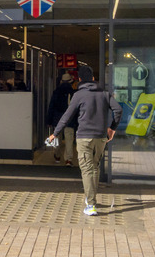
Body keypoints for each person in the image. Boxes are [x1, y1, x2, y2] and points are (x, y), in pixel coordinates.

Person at [48, 66, 122, 216]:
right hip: (101, 138)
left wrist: (55, 133)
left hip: (84, 137)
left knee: (87, 170)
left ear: (80, 80)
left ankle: (91, 204)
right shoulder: (104, 94)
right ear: (93, 79)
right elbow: (118, 110)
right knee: (94, 168)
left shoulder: (79, 95)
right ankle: (91, 200)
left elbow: (67, 116)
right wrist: (112, 128)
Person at [46, 73, 77, 166]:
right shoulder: (73, 93)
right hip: (69, 120)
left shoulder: (56, 92)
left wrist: (49, 120)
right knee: (69, 139)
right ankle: (68, 159)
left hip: (57, 119)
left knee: (56, 138)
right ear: (71, 82)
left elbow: (51, 107)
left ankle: (57, 155)